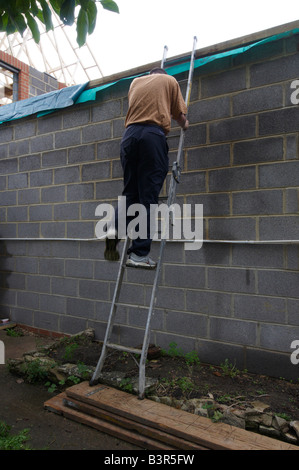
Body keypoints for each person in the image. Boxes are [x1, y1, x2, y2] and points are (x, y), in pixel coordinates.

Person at [104, 67, 189, 269]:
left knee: (130, 194)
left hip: (129, 137)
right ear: (162, 74)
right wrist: (185, 124)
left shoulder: (135, 83)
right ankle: (140, 254)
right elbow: (178, 114)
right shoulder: (169, 81)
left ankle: (113, 229)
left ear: (149, 75)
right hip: (152, 136)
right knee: (148, 198)